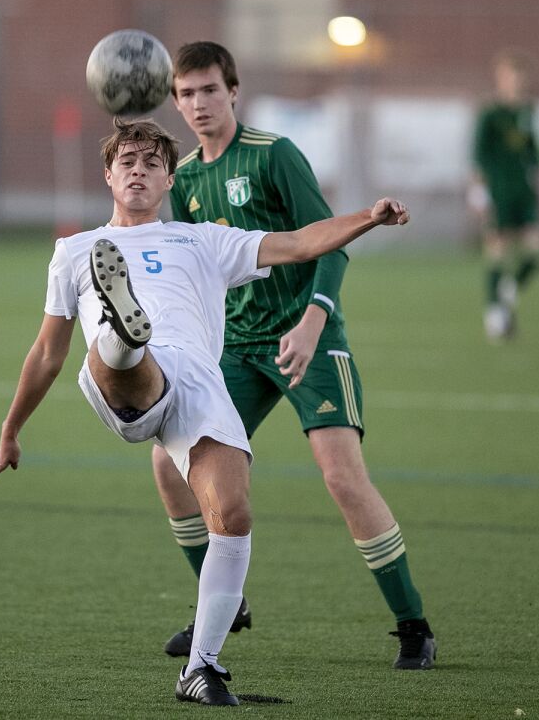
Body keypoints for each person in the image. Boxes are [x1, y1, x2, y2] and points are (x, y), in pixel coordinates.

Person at [0, 116, 410, 705]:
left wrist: (369, 217)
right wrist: (11, 430)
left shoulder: (204, 238)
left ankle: (201, 669)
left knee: (232, 516)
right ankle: (123, 333)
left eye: (151, 164)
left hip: (201, 388)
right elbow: (48, 353)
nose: (138, 170)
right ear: (107, 176)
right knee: (132, 354)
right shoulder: (75, 251)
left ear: (167, 181)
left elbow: (298, 242)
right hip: (125, 381)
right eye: (126, 161)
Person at [153, 40, 436, 670]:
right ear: (175, 101)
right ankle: (223, 602)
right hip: (237, 347)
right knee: (170, 467)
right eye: (186, 93)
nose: (198, 103)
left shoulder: (274, 155)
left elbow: (327, 244)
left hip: (310, 336)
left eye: (209, 90)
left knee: (341, 477)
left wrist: (313, 322)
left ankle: (413, 624)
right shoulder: (187, 176)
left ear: (234, 91)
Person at [469, 49, 539, 342]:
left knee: (537, 251)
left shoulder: (528, 111)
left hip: (524, 191)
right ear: (501, 79)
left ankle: (509, 290)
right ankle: (494, 313)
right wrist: (479, 192)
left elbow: (534, 152)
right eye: (510, 77)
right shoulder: (490, 114)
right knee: (497, 251)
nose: (515, 83)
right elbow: (478, 155)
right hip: (499, 191)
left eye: (519, 77)